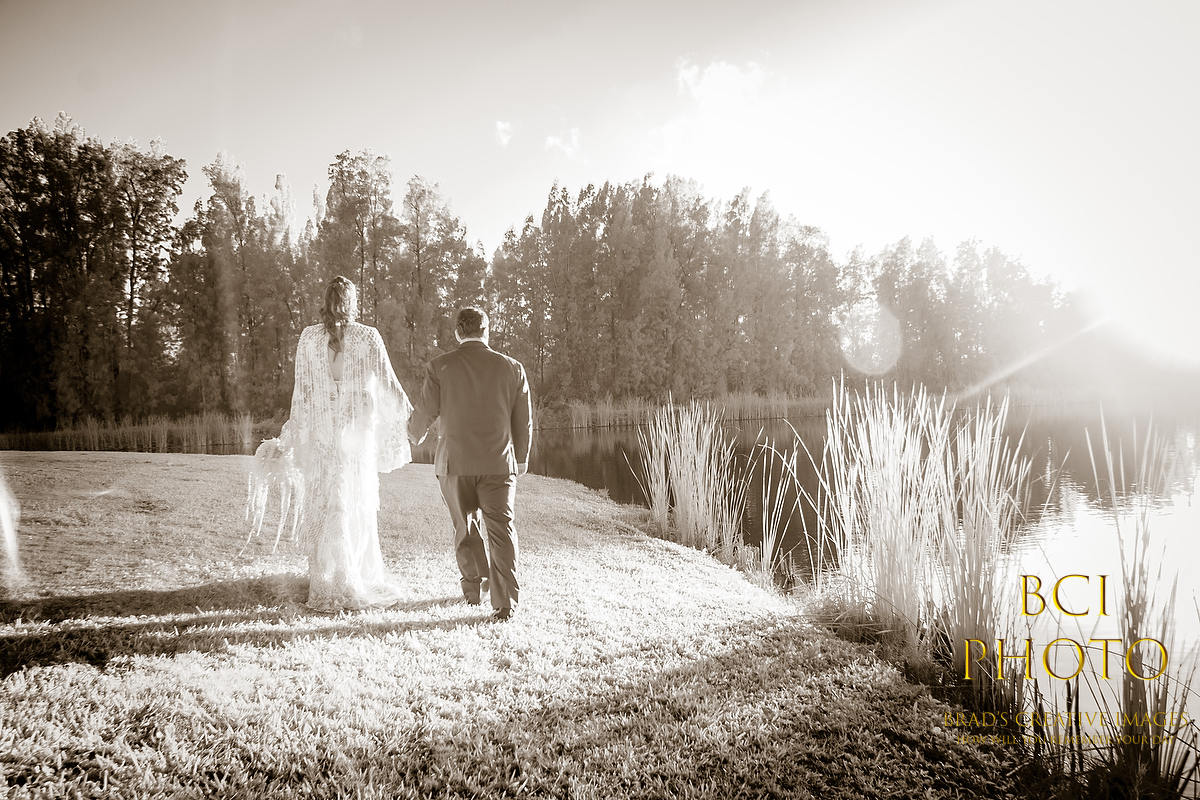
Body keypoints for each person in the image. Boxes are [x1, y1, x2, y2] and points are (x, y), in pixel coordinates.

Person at [270, 276, 413, 611]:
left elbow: (301, 395)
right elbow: (389, 384)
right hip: (355, 438)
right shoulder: (367, 336)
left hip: (323, 437)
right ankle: (352, 575)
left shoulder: (308, 338)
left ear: (325, 301)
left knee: (325, 503)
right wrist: (413, 417)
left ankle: (326, 576)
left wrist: (290, 435)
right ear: (352, 303)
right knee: (353, 502)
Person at [409, 307, 532, 621]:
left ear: (457, 332)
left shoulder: (440, 366)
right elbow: (523, 420)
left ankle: (474, 590)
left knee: (465, 528)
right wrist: (521, 458)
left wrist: (413, 433)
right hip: (499, 464)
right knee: (501, 530)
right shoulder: (513, 368)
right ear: (487, 331)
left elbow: (425, 410)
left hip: (455, 464)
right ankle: (505, 604)